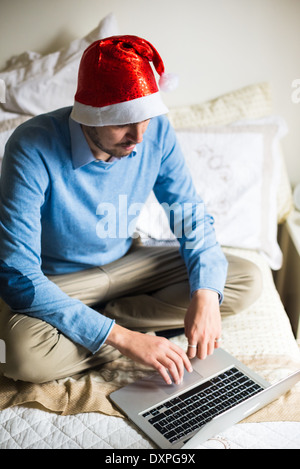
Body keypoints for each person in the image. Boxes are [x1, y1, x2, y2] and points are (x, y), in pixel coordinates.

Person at [0, 35, 262, 386]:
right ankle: (126, 332)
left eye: (147, 119)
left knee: (242, 279)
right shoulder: (31, 145)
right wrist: (124, 339)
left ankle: (104, 324)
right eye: (122, 122)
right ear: (88, 113)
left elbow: (189, 215)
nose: (138, 137)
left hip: (128, 265)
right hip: (60, 282)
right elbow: (17, 274)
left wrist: (205, 296)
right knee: (21, 357)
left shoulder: (157, 134)